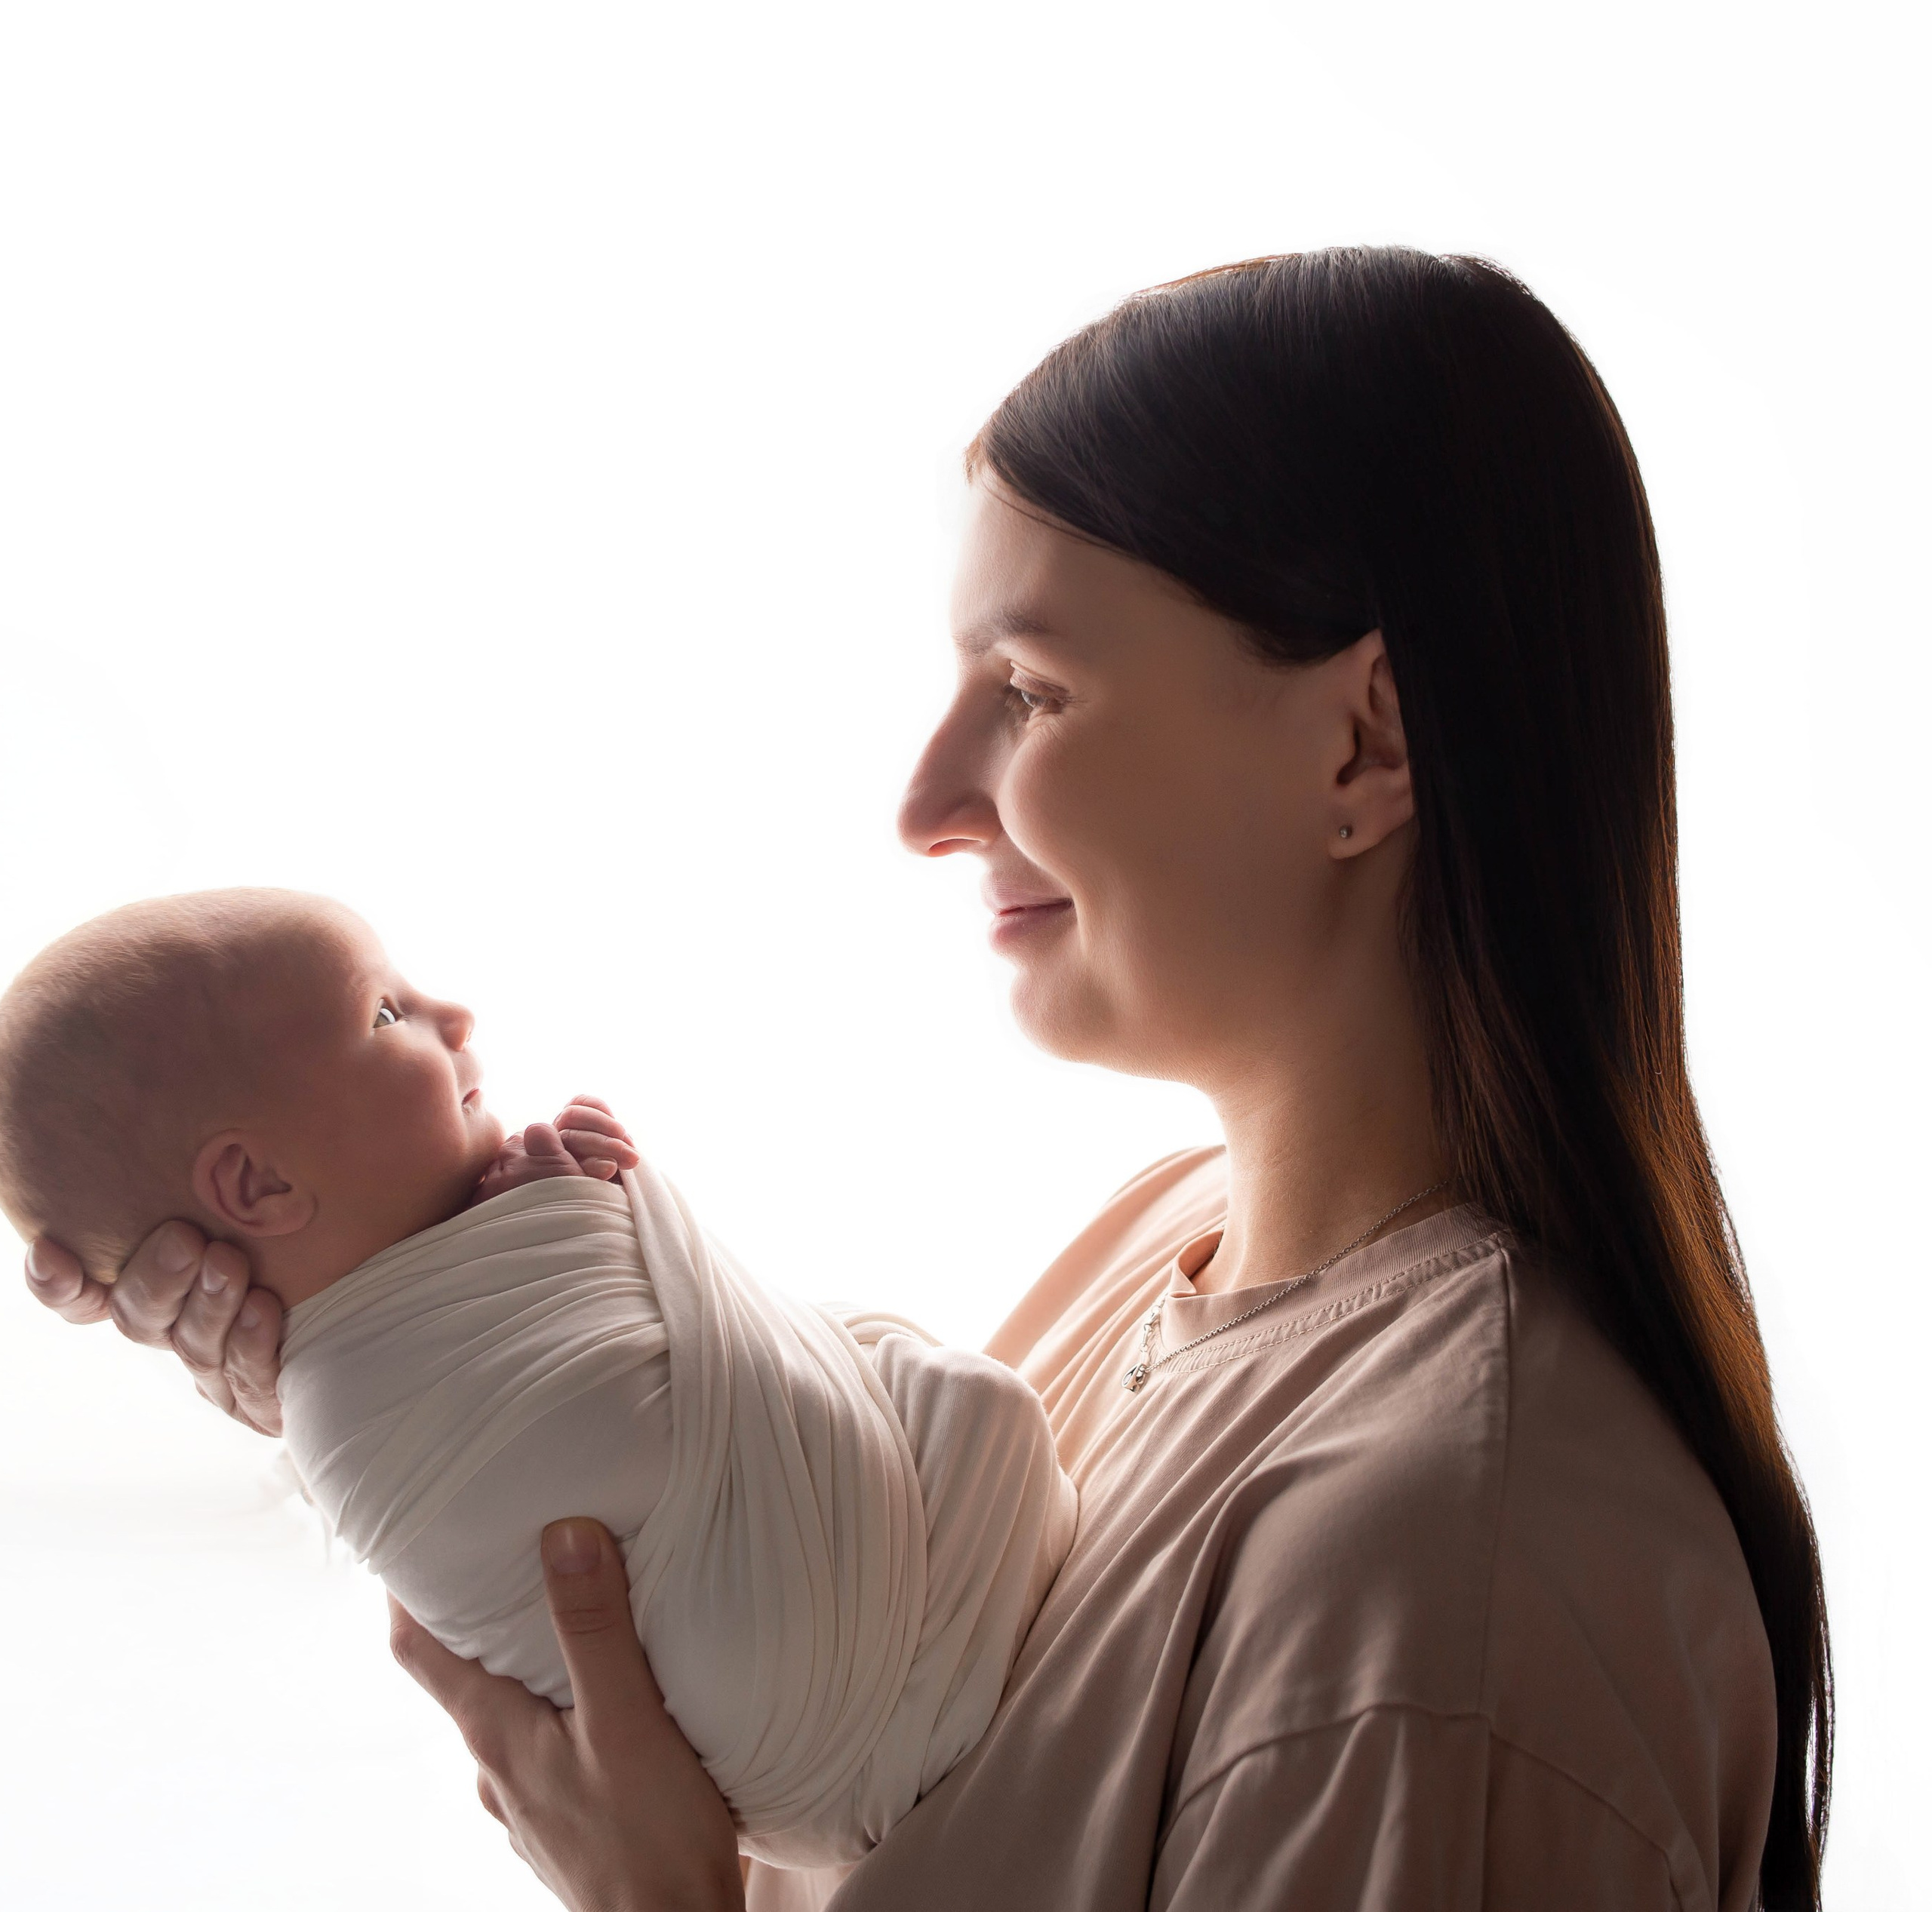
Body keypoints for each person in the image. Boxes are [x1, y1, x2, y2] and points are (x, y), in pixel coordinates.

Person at [25, 247, 1832, 1910]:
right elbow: (810, 1635)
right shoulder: (1179, 1238)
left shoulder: (1454, 1588)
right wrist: (383, 1341)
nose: (922, 799)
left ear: (1363, 741)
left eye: (1030, 690)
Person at [0, 889, 1073, 1867]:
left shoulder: (422, 1325)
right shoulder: (342, 1411)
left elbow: (664, 1373)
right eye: (385, 1015)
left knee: (950, 1398)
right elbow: (596, 1432)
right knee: (965, 1404)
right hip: (821, 1716)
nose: (453, 1016)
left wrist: (590, 1209)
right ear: (259, 1182)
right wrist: (586, 1212)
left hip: (859, 1709)